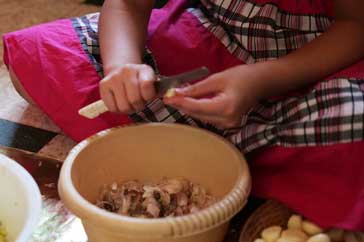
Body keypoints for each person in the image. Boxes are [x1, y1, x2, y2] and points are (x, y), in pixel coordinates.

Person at [3, 0, 364, 230]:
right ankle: (255, 161)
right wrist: (123, 67)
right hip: (204, 38)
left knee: (354, 120)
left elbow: (356, 26)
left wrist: (260, 80)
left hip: (309, 65)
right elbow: (127, 6)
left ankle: (229, 153)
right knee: (39, 54)